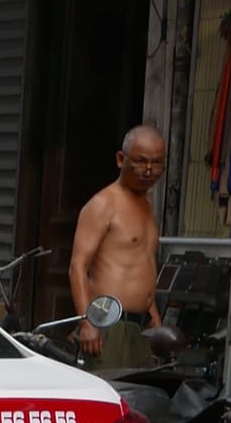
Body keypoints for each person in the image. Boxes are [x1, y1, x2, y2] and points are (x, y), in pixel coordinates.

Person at [70, 124, 167, 370]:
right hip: (108, 324)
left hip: (140, 326)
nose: (148, 170)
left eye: (156, 163)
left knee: (140, 401)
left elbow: (143, 265)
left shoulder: (147, 206)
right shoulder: (103, 203)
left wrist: (156, 322)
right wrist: (87, 323)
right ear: (120, 159)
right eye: (140, 161)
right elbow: (77, 267)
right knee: (109, 399)